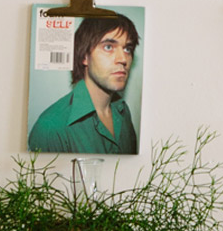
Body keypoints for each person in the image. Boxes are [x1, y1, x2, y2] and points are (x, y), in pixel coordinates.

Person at [29, 15, 140, 154]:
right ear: (84, 57)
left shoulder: (122, 111)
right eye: (108, 47)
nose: (123, 59)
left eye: (127, 49)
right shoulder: (50, 127)